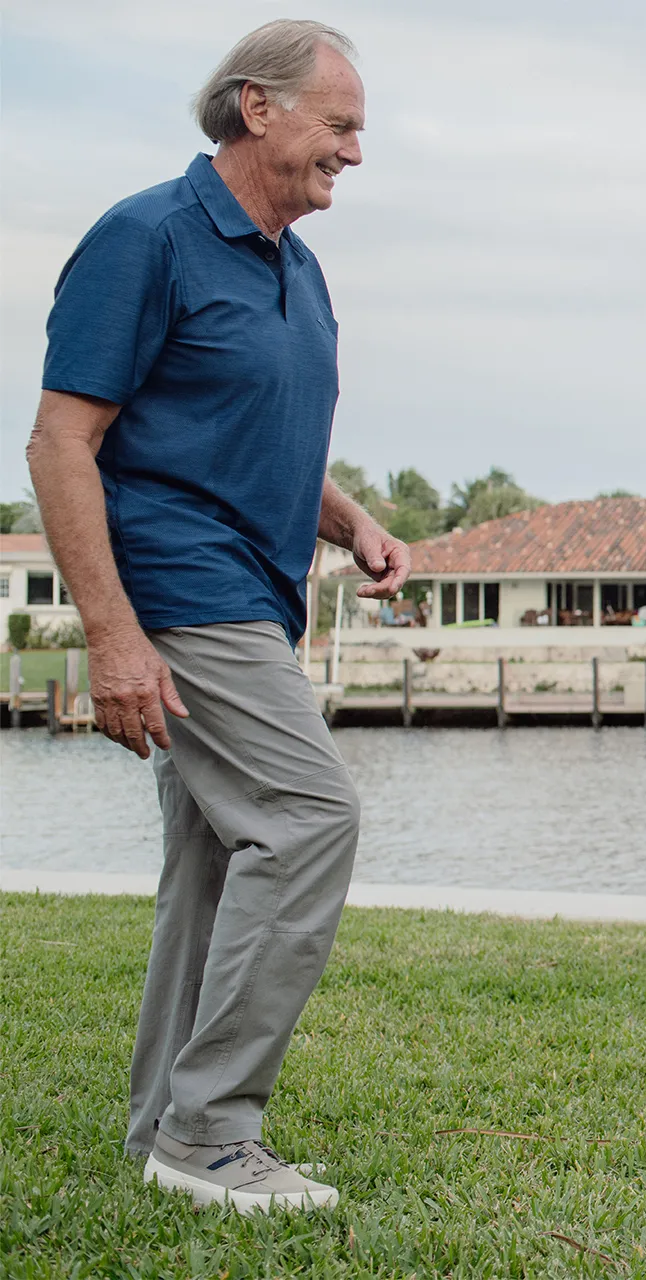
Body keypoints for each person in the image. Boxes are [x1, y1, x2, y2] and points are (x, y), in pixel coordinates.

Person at [24, 20, 405, 1213]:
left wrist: (348, 521)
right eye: (339, 125)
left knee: (210, 859)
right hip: (183, 592)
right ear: (257, 108)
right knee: (306, 816)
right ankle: (213, 1129)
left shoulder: (295, 262)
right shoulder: (148, 238)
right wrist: (113, 633)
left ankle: (165, 1130)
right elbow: (60, 441)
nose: (354, 151)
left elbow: (260, 415)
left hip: (257, 588)